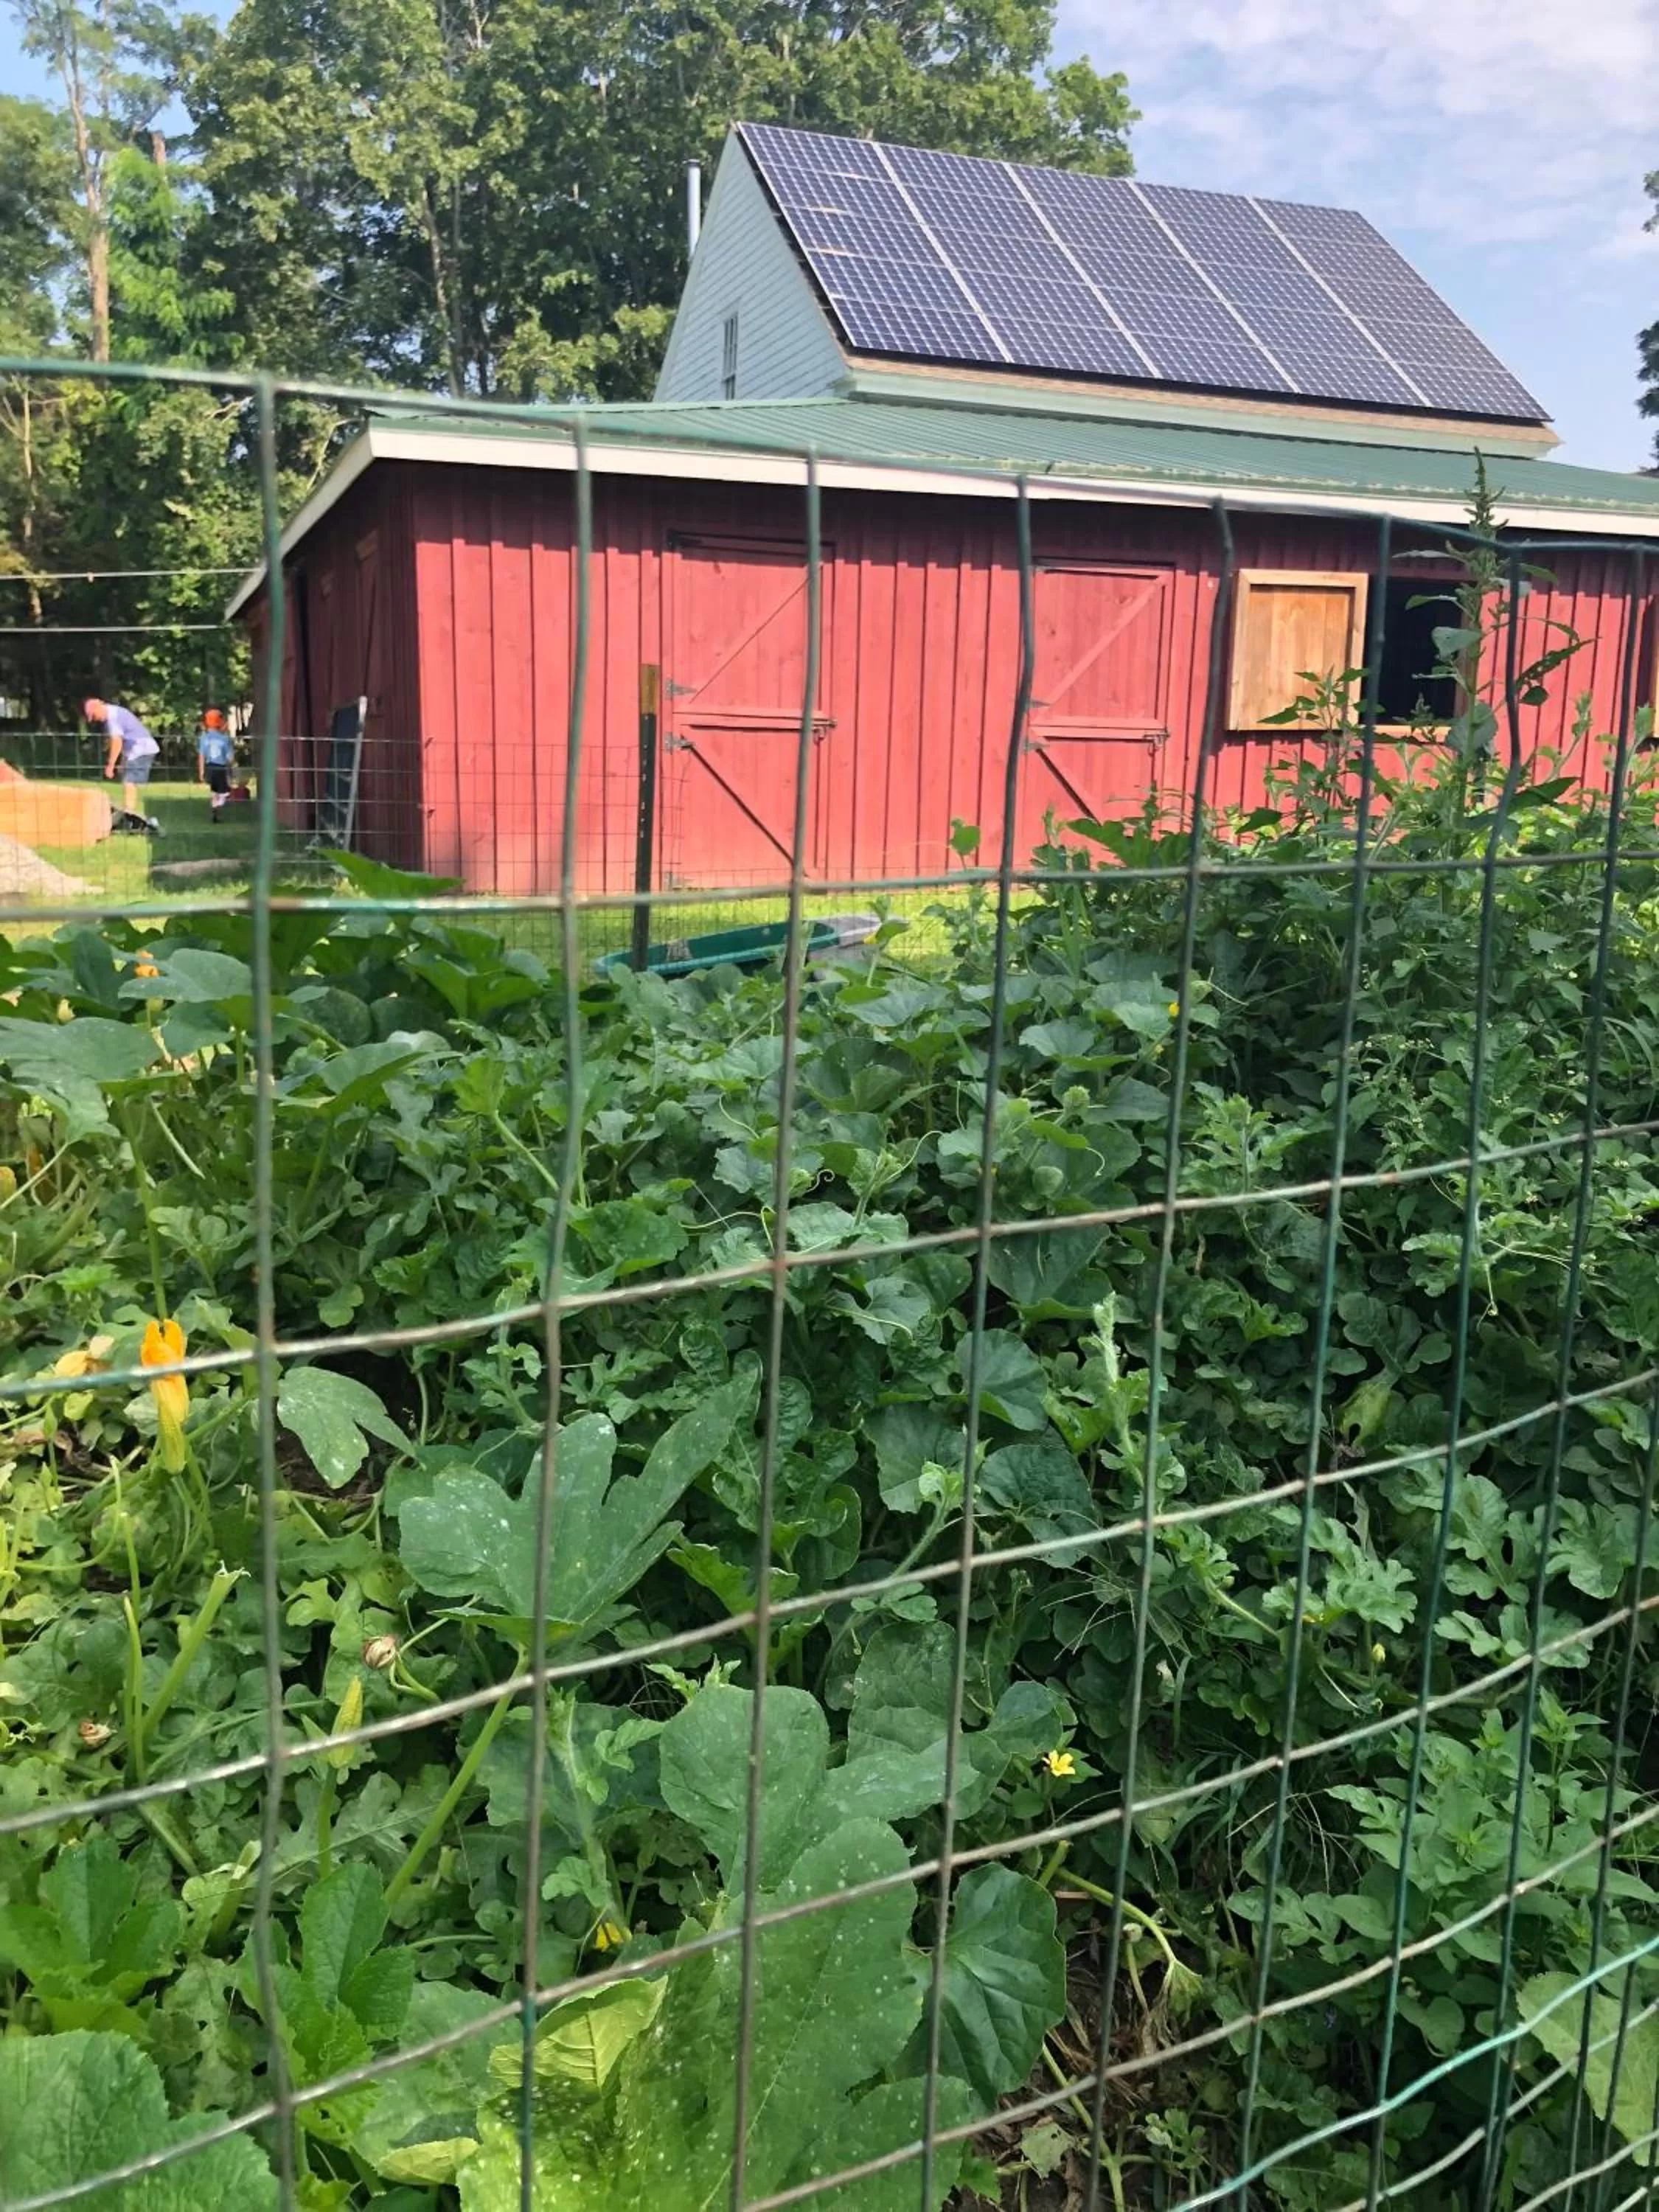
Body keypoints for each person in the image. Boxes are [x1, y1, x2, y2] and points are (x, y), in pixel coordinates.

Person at [85, 698, 161, 831]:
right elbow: (127, 740)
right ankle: (128, 814)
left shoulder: (113, 717)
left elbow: (117, 741)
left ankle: (129, 815)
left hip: (142, 749)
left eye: (94, 716)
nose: (96, 719)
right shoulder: (115, 712)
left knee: (129, 782)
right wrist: (123, 762)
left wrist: (111, 765)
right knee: (128, 781)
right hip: (137, 749)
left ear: (98, 707)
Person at [195, 708, 234, 817]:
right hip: (221, 768)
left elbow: (202, 755)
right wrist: (231, 768)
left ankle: (214, 808)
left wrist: (201, 771)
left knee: (214, 789)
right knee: (225, 792)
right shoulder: (224, 739)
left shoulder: (204, 738)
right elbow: (230, 758)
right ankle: (218, 804)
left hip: (209, 767)